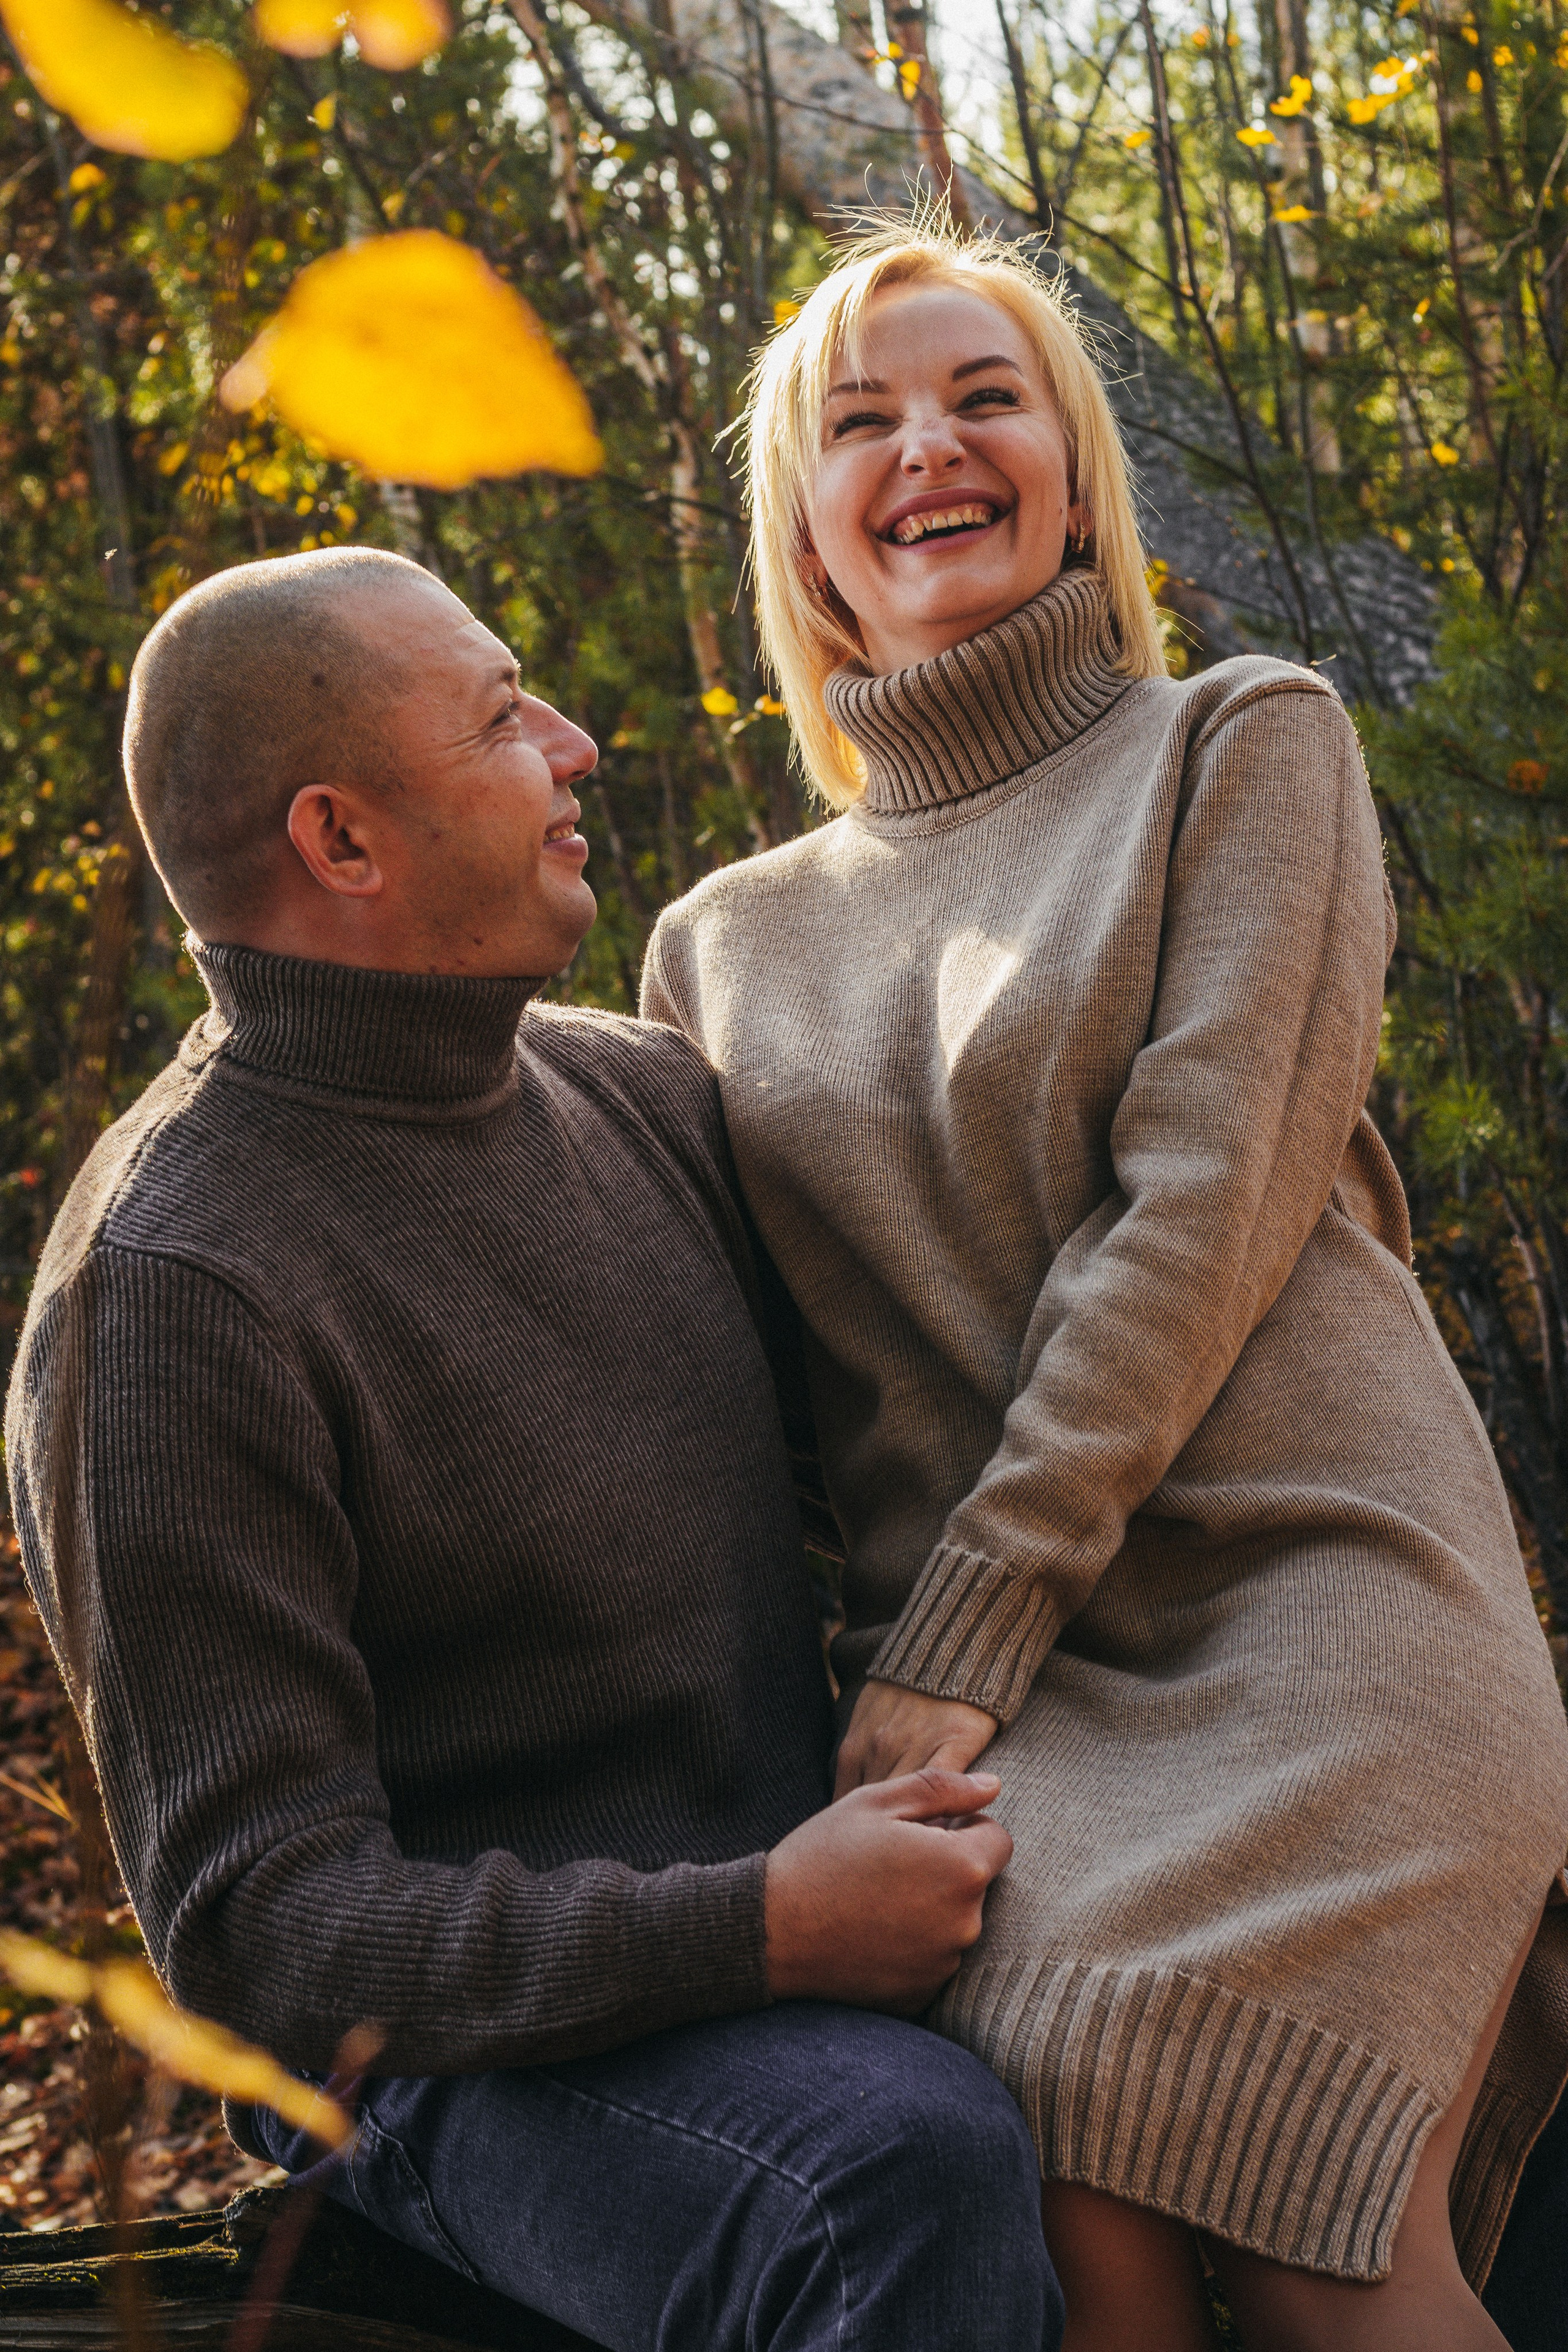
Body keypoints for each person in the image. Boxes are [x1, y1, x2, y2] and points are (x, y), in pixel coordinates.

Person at [640, 219, 1568, 2351]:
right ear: (804, 525)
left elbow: (1200, 1205)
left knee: (1327, 2259)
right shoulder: (717, 947)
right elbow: (763, 1396)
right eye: (861, 422)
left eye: (988, 396)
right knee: (1080, 2226)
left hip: (1324, 1608)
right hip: (1014, 1715)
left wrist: (960, 1628)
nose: (931, 448)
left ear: (1074, 471)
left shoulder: (1243, 746)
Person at [4, 547, 1065, 2352]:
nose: (573, 745)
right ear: (345, 842)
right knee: (898, 2166)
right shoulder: (177, 1287)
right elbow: (259, 1926)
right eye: (504, 719)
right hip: (453, 2067)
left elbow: (930, 1444)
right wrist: (760, 1933)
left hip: (796, 1905)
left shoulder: (635, 1098)